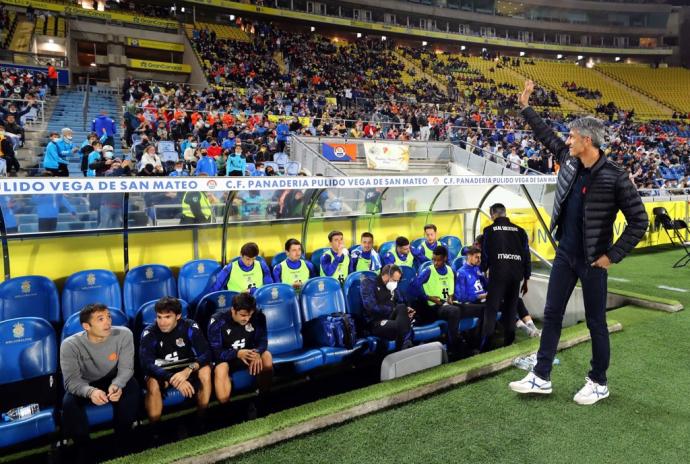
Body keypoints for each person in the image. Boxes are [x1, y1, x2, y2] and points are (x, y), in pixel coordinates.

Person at [509, 80, 649, 404]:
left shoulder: (614, 176)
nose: (567, 140)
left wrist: (612, 256)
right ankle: (541, 376)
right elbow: (547, 136)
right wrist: (526, 106)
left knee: (596, 322)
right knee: (552, 313)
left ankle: (598, 381)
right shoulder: (570, 160)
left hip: (593, 260)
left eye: (572, 137)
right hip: (565, 255)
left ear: (587, 141)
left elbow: (639, 221)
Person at [60, 304, 139, 455]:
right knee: (69, 403)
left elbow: (127, 369)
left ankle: (123, 442)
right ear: (86, 326)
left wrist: (117, 384)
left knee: (132, 386)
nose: (108, 322)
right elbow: (71, 381)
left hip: (114, 379)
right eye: (100, 319)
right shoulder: (70, 345)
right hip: (86, 384)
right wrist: (90, 392)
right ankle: (84, 449)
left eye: (108, 317)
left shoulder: (124, 334)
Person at [139, 297, 212, 435]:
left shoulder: (189, 326)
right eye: (159, 317)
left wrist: (189, 369)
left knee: (206, 371)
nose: (162, 322)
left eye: (167, 317)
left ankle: (201, 419)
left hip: (186, 367)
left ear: (178, 316)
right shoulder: (150, 332)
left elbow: (206, 353)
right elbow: (146, 364)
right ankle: (155, 432)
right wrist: (172, 377)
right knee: (152, 383)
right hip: (163, 372)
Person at [207, 293, 273, 414]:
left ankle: (263, 400)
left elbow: (263, 341)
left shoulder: (258, 317)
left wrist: (257, 352)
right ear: (233, 310)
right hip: (225, 358)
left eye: (249, 315)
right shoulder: (217, 321)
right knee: (221, 368)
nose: (246, 319)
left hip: (247, 354)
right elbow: (215, 352)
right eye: (243, 315)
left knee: (267, 356)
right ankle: (226, 411)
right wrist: (237, 353)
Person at [480, 203, 530, 351]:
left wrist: (484, 268)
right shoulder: (520, 231)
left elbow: (486, 253)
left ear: (493, 215)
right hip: (516, 275)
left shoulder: (489, 231)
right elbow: (526, 255)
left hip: (498, 274)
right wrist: (526, 279)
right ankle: (509, 344)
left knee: (491, 309)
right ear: (505, 213)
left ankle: (485, 347)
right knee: (511, 308)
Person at [412, 245, 465, 355]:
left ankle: (470, 342)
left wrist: (452, 296)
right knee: (454, 311)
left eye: (438, 260)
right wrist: (428, 297)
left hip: (447, 304)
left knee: (467, 307)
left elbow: (454, 289)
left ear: (445, 258)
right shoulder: (428, 271)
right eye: (433, 259)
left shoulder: (451, 271)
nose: (435, 263)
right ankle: (453, 348)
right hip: (434, 307)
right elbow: (413, 287)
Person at [360, 264, 414, 351]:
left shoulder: (393, 286)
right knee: (403, 326)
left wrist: (407, 310)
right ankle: (407, 346)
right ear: (386, 275)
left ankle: (406, 345)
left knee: (402, 307)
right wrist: (392, 309)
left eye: (397, 281)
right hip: (375, 322)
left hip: (392, 319)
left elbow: (400, 302)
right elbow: (370, 307)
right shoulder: (368, 283)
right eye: (394, 280)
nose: (396, 283)